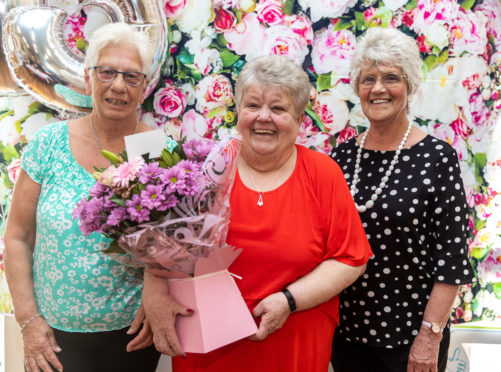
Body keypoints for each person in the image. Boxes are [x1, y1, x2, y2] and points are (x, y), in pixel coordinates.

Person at [142, 54, 372, 371]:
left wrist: (289, 301)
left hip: (293, 344)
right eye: (253, 106)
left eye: (278, 109)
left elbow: (351, 259)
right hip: (210, 348)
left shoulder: (323, 174)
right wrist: (153, 292)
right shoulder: (203, 167)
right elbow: (162, 250)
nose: (263, 117)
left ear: (299, 119)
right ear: (237, 112)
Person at [3, 23, 161, 372]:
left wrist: (159, 297)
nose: (118, 86)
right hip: (53, 338)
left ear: (145, 87)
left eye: (132, 77)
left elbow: (173, 245)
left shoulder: (156, 150)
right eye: (106, 72)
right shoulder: (48, 143)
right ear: (88, 79)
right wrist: (28, 321)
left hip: (132, 335)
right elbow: (16, 237)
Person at [329, 27, 474, 372]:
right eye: (368, 79)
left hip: (411, 341)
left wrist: (429, 337)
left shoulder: (438, 157)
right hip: (347, 336)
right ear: (357, 89)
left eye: (390, 77)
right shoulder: (342, 157)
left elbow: (451, 257)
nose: (378, 88)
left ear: (409, 86)